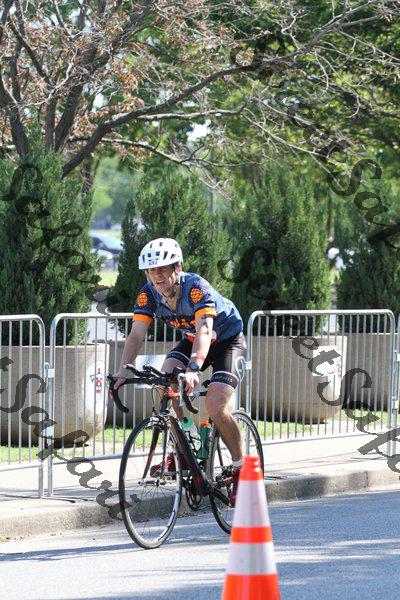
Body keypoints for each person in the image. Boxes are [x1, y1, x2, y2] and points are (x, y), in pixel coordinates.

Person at [113, 237, 247, 506]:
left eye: (163, 268)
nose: (157, 275)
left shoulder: (196, 288)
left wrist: (195, 367)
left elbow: (205, 330)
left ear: (178, 267)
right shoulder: (148, 294)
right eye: (151, 270)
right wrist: (122, 371)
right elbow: (136, 334)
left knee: (215, 406)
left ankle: (240, 467)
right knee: (165, 380)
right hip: (193, 340)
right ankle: (186, 444)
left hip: (226, 341)